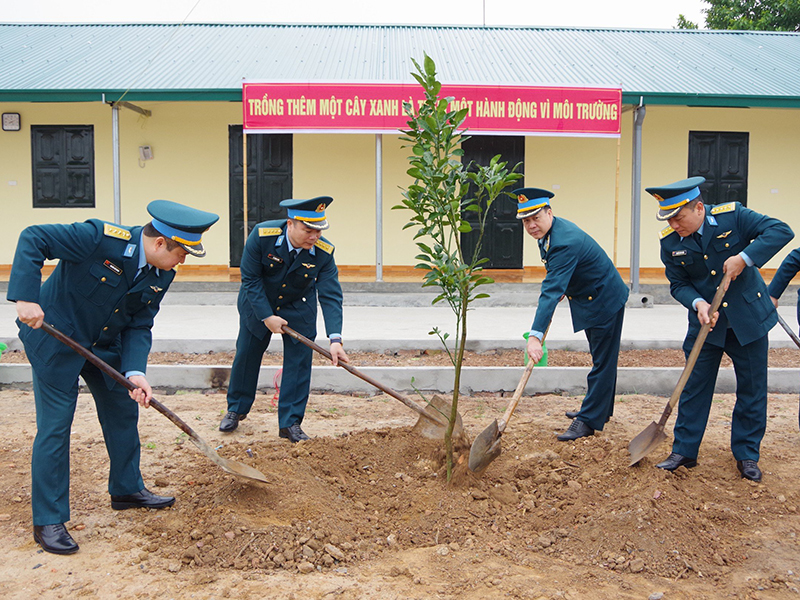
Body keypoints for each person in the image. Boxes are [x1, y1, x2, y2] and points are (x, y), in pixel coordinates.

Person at [7, 200, 219, 555]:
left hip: (103, 345)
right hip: (56, 338)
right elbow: (34, 237)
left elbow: (139, 322)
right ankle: (48, 520)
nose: (183, 261)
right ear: (159, 244)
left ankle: (126, 489)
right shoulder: (98, 238)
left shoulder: (161, 273)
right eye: (182, 252)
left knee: (123, 409)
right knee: (56, 426)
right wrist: (25, 297)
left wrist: (135, 371)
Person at [647, 176, 793, 482]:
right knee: (693, 386)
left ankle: (747, 454)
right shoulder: (669, 242)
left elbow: (781, 231)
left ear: (699, 207)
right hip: (706, 324)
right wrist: (698, 303)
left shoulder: (733, 216)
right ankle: (684, 450)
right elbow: (678, 284)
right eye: (668, 219)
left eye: (678, 217)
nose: (674, 225)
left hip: (747, 320)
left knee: (752, 390)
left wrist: (744, 257)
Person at [220, 196, 347, 442]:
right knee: (247, 354)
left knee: (299, 364)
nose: (314, 237)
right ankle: (236, 408)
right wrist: (267, 316)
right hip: (257, 303)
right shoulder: (262, 236)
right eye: (308, 230)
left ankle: (290, 423)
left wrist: (335, 339)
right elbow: (251, 279)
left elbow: (331, 295)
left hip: (298, 307)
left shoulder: (324, 252)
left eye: (319, 230)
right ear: (290, 224)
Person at [519, 187, 629, 441]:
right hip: (591, 295)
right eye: (526, 221)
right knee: (602, 359)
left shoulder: (563, 241)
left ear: (549, 212)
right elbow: (560, 276)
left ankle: (589, 421)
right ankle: (600, 410)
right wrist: (562, 285)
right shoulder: (551, 233)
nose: (532, 225)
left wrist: (535, 336)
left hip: (604, 299)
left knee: (602, 361)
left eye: (536, 217)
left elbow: (550, 289)